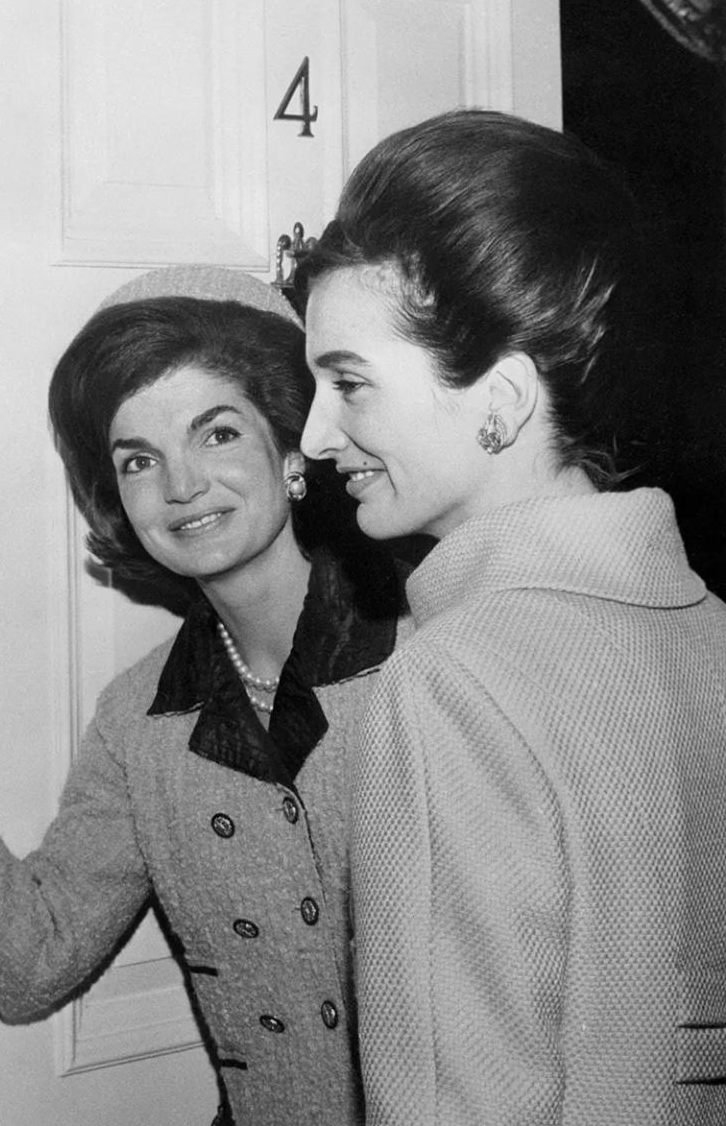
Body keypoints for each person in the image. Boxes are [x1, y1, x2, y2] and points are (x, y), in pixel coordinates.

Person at [0, 266, 405, 1126]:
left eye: (219, 433)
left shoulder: (427, 652)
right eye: (138, 459)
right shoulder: (143, 718)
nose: (182, 484)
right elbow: (33, 962)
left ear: (294, 446)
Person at [297, 110, 726, 1125]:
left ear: (501, 399)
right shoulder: (711, 634)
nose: (316, 437)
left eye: (348, 383)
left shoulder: (452, 682)